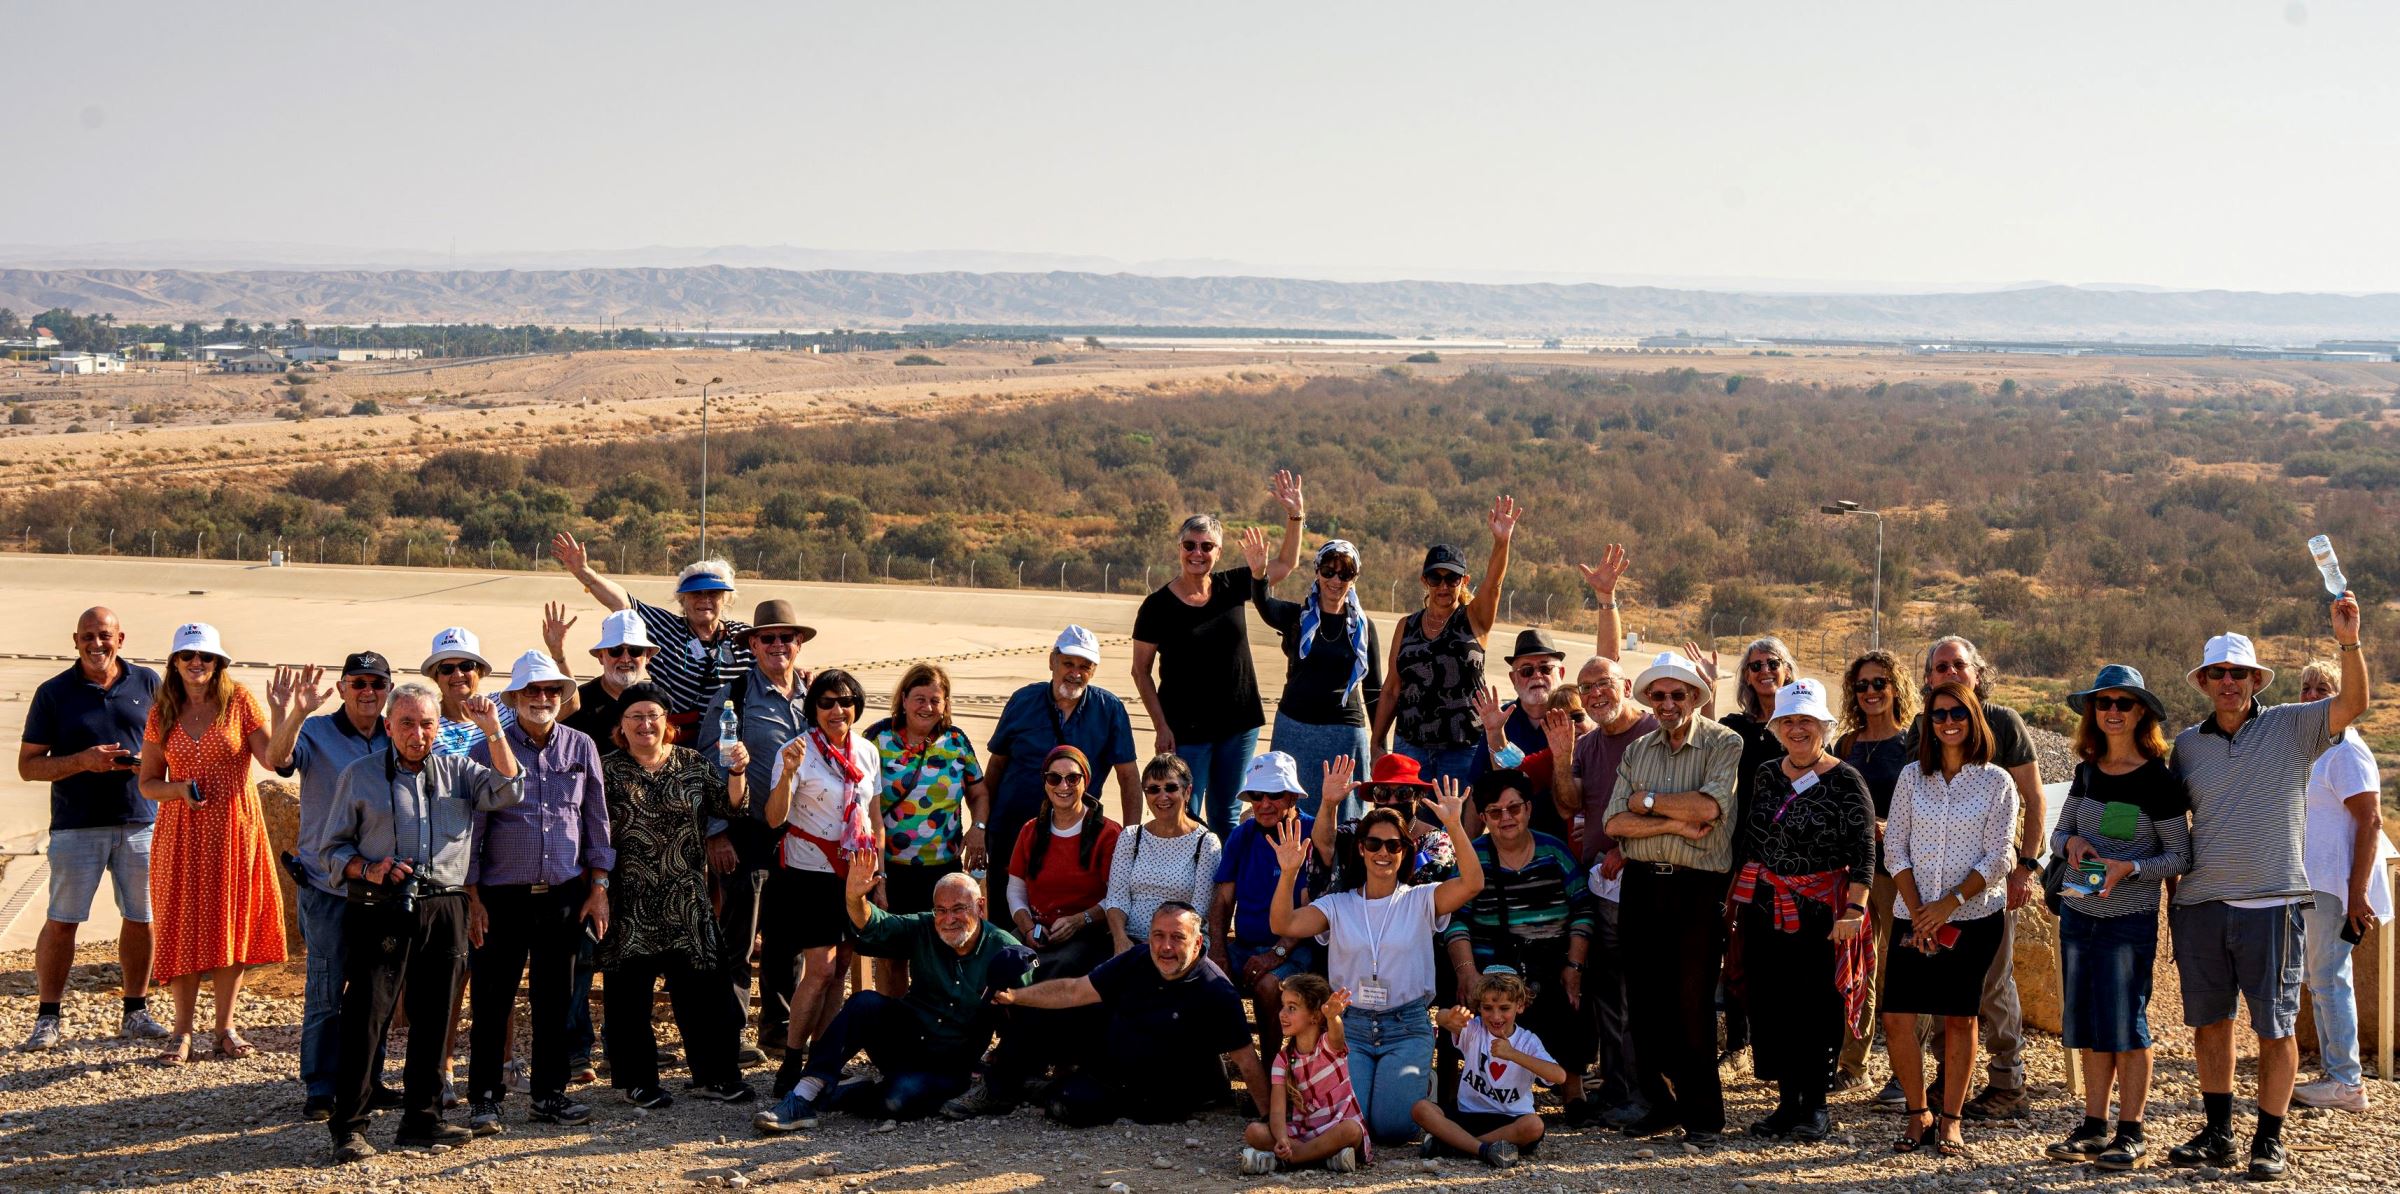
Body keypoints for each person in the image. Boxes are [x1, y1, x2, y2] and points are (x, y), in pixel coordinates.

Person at [2167, 601, 2369, 1182]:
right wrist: (2089, 842)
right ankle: (2218, 1134)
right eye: (2218, 673)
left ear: (2256, 680)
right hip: (2202, 905)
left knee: (2275, 1028)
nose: (2228, 682)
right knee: (2210, 1025)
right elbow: (2162, 817)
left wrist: (2348, 643)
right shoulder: (2187, 746)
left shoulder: (2292, 725)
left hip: (2273, 904)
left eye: (2239, 673)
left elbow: (2354, 704)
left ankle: (2268, 1140)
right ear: (2204, 682)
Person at [318, 682, 521, 1162]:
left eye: (427, 723)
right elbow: (331, 850)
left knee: (436, 1016)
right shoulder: (359, 775)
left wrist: (494, 731)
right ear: (388, 726)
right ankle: (350, 1127)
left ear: (437, 727)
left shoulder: (459, 770)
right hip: (381, 905)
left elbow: (509, 789)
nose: (418, 734)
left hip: (445, 906)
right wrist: (369, 869)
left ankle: (422, 1120)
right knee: (368, 1017)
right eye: (406, 723)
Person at [1270, 776, 1484, 1144]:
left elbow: (1473, 883)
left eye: (1393, 845)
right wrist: (1289, 874)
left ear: (1405, 851)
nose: (1383, 852)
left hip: (1407, 1026)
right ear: (1361, 849)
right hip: (1349, 1026)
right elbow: (1283, 923)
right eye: (1373, 843)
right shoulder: (1337, 904)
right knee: (1354, 1123)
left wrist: (1454, 824)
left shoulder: (1421, 898)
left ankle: (1417, 1086)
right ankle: (1399, 1089)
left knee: (1392, 1129)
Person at [2044, 664, 2191, 1171]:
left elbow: (2179, 856)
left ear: (2141, 712)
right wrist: (2071, 843)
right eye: (2103, 703)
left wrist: (2130, 867)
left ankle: (2132, 1132)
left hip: (2128, 921)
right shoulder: (2086, 771)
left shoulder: (2158, 780)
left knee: (2126, 1023)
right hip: (2077, 915)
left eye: (2122, 703)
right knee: (2088, 1021)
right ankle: (2093, 1125)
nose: (2112, 711)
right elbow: (2057, 834)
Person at [754, 867, 1032, 1131]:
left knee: (896, 1100)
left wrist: (1001, 1072)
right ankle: (803, 1095)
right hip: (906, 1040)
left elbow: (1027, 1014)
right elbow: (876, 924)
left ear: (980, 906)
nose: (949, 919)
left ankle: (844, 1093)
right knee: (864, 1003)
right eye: (941, 910)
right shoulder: (925, 926)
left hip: (952, 1063)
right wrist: (855, 898)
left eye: (959, 908)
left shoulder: (1003, 949)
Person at [463, 651, 614, 1133]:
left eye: (551, 690)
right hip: (501, 896)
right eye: (532, 690)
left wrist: (599, 885)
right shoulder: (486, 749)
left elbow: (596, 819)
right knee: (493, 1000)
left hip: (564, 895)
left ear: (562, 696)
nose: (542, 698)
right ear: (514, 698)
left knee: (555, 1000)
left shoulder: (581, 746)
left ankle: (549, 1095)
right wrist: (472, 897)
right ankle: (485, 1098)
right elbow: (473, 827)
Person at [1601, 650, 1742, 1146]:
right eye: (1657, 695)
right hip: (1642, 883)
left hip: (1696, 889)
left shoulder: (1724, 742)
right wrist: (1676, 823)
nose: (1666, 703)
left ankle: (1703, 1116)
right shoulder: (1638, 750)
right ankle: (1660, 1104)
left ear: (1695, 696)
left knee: (1692, 1000)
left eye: (1677, 694)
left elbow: (1710, 808)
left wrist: (1646, 803)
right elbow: (1613, 822)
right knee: (1643, 1000)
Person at [1726, 679, 1875, 1143]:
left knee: (1814, 1006)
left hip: (1819, 912)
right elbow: (1752, 838)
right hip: (1764, 905)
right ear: (1776, 727)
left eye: (1806, 720)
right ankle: (1787, 1102)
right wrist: (1735, 897)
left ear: (1824, 726)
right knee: (1771, 1003)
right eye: (1788, 720)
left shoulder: (1846, 780)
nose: (1797, 728)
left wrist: (1854, 909)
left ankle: (1815, 1106)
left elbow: (1864, 851)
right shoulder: (1766, 773)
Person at [135, 622, 288, 1065]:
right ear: (175, 663)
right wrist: (179, 789)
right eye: (187, 655)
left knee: (230, 923)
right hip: (180, 833)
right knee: (182, 925)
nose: (196, 663)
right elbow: (148, 783)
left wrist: (284, 714)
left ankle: (225, 1028)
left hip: (234, 831)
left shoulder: (239, 701)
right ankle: (181, 1031)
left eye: (205, 656)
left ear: (218, 662)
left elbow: (273, 759)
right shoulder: (162, 712)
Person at [17, 607, 169, 1051]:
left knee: (140, 918)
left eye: (104, 635)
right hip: (76, 825)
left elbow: (172, 743)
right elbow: (28, 767)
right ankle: (47, 1018)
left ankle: (136, 1011)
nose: (96, 644)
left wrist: (147, 765)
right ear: (75, 640)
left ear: (120, 639)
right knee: (62, 921)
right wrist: (84, 761)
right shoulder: (53, 693)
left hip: (141, 820)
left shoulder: (148, 684)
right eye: (87, 636)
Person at [597, 685, 754, 1109]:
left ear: (667, 722)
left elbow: (732, 807)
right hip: (630, 902)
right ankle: (637, 1082)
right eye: (635, 716)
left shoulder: (692, 764)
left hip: (687, 899)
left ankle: (716, 1076)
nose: (645, 724)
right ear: (621, 726)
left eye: (653, 715)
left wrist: (737, 771)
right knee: (629, 999)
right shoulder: (606, 770)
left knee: (707, 994)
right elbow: (592, 832)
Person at [1909, 636, 2045, 1121]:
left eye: (1958, 665)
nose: (1950, 673)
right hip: (1933, 886)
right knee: (1944, 982)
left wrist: (2025, 867)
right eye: (1940, 666)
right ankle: (1952, 1079)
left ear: (1977, 673)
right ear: (1929, 679)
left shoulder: (2003, 722)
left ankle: (2008, 1082)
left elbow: (2034, 799)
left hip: (1989, 882)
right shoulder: (1924, 726)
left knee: (1993, 981)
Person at [1882, 681, 2018, 1160]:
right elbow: (1894, 848)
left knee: (1960, 1017)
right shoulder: (1911, 778)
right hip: (1912, 914)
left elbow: (1999, 856)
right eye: (1938, 714)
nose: (1948, 722)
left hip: (1973, 917)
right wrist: (1921, 912)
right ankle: (1918, 1113)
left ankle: (1952, 1120)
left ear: (1973, 717)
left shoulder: (1997, 782)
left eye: (1958, 712)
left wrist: (1948, 905)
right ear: (1928, 723)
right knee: (1897, 1018)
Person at [990, 901, 1268, 1126]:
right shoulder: (1137, 959)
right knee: (1063, 1030)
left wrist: (1271, 1122)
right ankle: (1012, 1085)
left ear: (1197, 944)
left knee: (1071, 1105)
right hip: (1121, 1073)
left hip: (1170, 1092)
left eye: (1177, 938)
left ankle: (1052, 1090)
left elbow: (1246, 1061)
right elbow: (1074, 991)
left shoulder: (1216, 989)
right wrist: (1016, 997)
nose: (1166, 947)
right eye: (1158, 936)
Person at [262, 651, 396, 1118]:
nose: (367, 692)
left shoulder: (395, 733)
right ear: (342, 688)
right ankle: (320, 1088)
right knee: (326, 990)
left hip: (380, 886)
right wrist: (294, 713)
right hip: (327, 886)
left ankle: (368, 1082)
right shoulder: (316, 731)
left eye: (377, 684)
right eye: (358, 683)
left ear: (388, 690)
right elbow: (277, 759)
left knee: (374, 991)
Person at [1133, 483, 1298, 838]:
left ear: (1219, 552)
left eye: (1207, 546)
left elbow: (1286, 564)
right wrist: (1161, 726)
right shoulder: (1157, 606)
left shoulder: (1233, 585)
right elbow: (1140, 672)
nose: (1197, 553)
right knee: (1186, 813)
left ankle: (1225, 875)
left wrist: (1295, 516)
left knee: (1226, 814)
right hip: (1186, 729)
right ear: (1179, 548)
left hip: (1238, 725)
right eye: (1190, 545)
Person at [1444, 769, 1594, 1115]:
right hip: (1491, 964)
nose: (1506, 818)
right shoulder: (1473, 857)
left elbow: (1583, 908)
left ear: (1528, 808)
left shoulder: (1553, 851)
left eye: (1514, 808)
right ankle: (1456, 1096)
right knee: (1471, 1002)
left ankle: (1573, 1091)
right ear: (1483, 817)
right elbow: (1454, 917)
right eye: (1495, 812)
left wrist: (1574, 965)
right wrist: (1466, 972)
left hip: (1552, 959)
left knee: (1571, 998)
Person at [705, 600, 818, 1055]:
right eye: (767, 638)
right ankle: (729, 1037)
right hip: (746, 832)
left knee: (787, 938)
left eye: (785, 637)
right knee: (738, 939)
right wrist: (716, 832)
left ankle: (779, 1030)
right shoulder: (733, 696)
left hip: (800, 834)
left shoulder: (815, 696)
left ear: (799, 643)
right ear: (752, 644)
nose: (777, 645)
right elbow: (709, 764)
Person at [761, 668, 881, 1092]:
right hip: (810, 872)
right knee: (820, 969)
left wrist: (878, 874)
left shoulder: (866, 751)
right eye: (827, 702)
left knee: (842, 967)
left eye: (845, 701)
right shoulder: (796, 750)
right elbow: (774, 817)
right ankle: (791, 1061)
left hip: (854, 872)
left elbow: (874, 815)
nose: (837, 710)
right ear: (814, 708)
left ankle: (822, 1060)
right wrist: (788, 774)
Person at [2293, 658, 2393, 1113]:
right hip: (2312, 883)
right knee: (2320, 980)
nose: (2313, 696)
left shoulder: (2347, 751)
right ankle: (2336, 1074)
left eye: (2323, 688)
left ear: (2341, 696)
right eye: (2307, 688)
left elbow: (2370, 821)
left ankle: (2346, 1082)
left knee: (2330, 980)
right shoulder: (2316, 748)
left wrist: (2357, 893)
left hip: (2336, 886)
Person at [1372, 496, 1522, 786]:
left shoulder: (1474, 618)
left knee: (1459, 815)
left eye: (1452, 578)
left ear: (1464, 581)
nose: (1443, 585)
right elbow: (1392, 688)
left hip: (1463, 748)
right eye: (1435, 578)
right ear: (1424, 580)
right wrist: (1376, 743)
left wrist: (1501, 542)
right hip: (1411, 747)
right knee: (1410, 814)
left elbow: (1494, 584)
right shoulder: (1406, 626)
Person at [1566, 650, 1656, 1127]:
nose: (1596, 694)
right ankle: (1617, 1088)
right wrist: (1560, 754)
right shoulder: (1587, 744)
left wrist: (1626, 847)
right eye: (1586, 688)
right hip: (1599, 882)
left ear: (1626, 685)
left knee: (1640, 991)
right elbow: (1572, 804)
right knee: (1607, 990)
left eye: (1604, 683)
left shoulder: (1653, 733)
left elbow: (1666, 804)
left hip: (1644, 877)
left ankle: (1647, 1093)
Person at [862, 661, 988, 996]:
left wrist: (978, 828)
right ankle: (894, 1020)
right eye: (920, 698)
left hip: (943, 871)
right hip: (891, 869)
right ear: (903, 699)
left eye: (935, 700)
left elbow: (979, 792)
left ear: (945, 704)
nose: (927, 707)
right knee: (891, 957)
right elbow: (857, 796)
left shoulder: (956, 741)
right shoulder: (878, 739)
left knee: (943, 954)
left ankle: (932, 1019)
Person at [1242, 524, 1381, 818]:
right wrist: (1259, 574)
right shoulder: (1297, 617)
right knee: (1290, 812)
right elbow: (1264, 605)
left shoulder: (1364, 628)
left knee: (1344, 816)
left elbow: (1373, 689)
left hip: (1345, 732)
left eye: (1345, 574)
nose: (1335, 580)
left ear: (1354, 578)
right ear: (1317, 572)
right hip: (1295, 728)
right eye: (1328, 571)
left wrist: (1378, 742)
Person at [984, 626, 1140, 889]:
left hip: (1073, 837)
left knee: (1066, 907)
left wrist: (1131, 839)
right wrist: (982, 825)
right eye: (1068, 663)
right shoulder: (1022, 701)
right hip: (1011, 829)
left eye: (1085, 666)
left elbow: (1129, 777)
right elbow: (996, 766)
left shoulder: (1109, 710)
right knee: (1005, 905)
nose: (1075, 673)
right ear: (1052, 661)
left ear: (1093, 671)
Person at [1831, 648, 1921, 1096]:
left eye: (1879, 683)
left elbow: (1927, 806)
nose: (1870, 691)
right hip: (1851, 871)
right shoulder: (1845, 746)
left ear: (1896, 687)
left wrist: (1890, 827)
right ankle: (1853, 1064)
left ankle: (1906, 1073)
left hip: (1896, 872)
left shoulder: (1912, 746)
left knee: (1899, 967)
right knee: (1856, 964)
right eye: (1862, 684)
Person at [552, 533, 754, 729]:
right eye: (696, 593)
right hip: (677, 738)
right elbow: (623, 603)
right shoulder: (666, 629)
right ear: (682, 599)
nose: (705, 599)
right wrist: (583, 572)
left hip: (731, 737)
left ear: (726, 598)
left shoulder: (743, 637)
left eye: (713, 593)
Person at [1209, 753, 1325, 1066]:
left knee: (1268, 986)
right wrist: (1218, 949)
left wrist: (1277, 953)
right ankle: (1209, 1067)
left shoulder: (1313, 833)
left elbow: (1314, 908)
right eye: (1256, 795)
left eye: (1274, 794)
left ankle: (1272, 1070)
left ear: (1293, 796)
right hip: (1244, 945)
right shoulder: (1242, 835)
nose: (1264, 803)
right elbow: (1223, 899)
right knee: (1199, 975)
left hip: (1298, 947)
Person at [1413, 970, 1561, 1168]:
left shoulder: (1527, 1041)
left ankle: (1454, 1145)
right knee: (1421, 1108)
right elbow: (1441, 1017)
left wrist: (1513, 1054)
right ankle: (1482, 1149)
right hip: (1468, 1113)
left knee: (1534, 1125)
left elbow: (1559, 1076)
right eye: (1488, 1008)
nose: (1495, 1016)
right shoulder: (1475, 1030)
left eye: (1504, 1008)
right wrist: (1450, 1016)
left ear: (1520, 1006)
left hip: (1510, 1120)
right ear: (1479, 1007)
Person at [1005, 745, 1122, 981]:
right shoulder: (1030, 830)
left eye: (1072, 778)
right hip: (1038, 929)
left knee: (1055, 966)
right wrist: (1028, 928)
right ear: (1045, 783)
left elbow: (1117, 896)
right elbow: (1016, 889)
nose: (1063, 786)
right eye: (1054, 778)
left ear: (1085, 782)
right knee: (1002, 960)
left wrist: (1078, 921)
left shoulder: (1108, 833)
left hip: (1087, 933)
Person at [1240, 975, 1367, 1175]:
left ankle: (1292, 1159)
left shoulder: (1328, 1046)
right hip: (1303, 1133)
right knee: (1254, 1132)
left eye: (1292, 1008)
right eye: (1282, 1006)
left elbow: (1337, 1035)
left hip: (1336, 1127)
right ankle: (1324, 1157)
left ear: (1315, 1016)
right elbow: (1277, 1112)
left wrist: (1332, 1017)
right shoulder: (1283, 1060)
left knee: (1351, 1130)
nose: (1282, 1014)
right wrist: (1282, 1139)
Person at [1103, 753, 1221, 954]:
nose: (1162, 796)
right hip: (1129, 940)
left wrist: (1157, 945)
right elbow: (1116, 899)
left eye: (1171, 788)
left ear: (1187, 791)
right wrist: (1120, 939)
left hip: (1180, 942)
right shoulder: (1131, 837)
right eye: (1153, 789)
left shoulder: (1206, 843)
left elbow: (1199, 911)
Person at [561, 609, 658, 748]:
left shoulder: (656, 702)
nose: (625, 659)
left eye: (635, 650)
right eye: (616, 651)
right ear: (601, 656)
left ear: (647, 656)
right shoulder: (580, 705)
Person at [422, 627, 507, 758]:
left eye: (466, 666)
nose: (458, 674)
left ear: (479, 671)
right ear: (436, 677)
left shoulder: (504, 705)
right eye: (446, 669)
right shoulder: (426, 724)